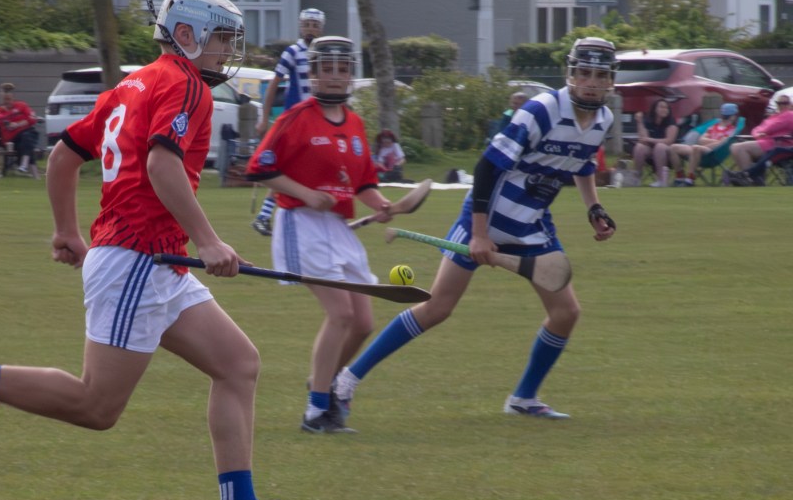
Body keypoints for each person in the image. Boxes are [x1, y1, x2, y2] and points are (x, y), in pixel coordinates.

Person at [0, 0, 327, 500]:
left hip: (152, 260)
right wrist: (209, 241)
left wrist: (67, 231)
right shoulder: (186, 85)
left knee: (238, 364)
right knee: (96, 406)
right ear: (185, 35)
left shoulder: (131, 85)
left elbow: (64, 155)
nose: (224, 52)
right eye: (219, 38)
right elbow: (162, 166)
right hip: (138, 259)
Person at [332, 37, 619, 426]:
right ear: (571, 73)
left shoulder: (602, 120)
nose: (591, 83)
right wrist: (480, 234)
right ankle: (346, 381)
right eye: (584, 73)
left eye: (600, 75)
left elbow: (583, 164)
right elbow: (486, 168)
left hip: (533, 224)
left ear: (610, 80)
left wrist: (594, 208)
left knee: (566, 312)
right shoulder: (541, 111)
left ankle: (523, 397)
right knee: (437, 308)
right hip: (485, 218)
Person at [245, 35, 395, 434]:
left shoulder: (356, 123)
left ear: (351, 74)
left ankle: (321, 383)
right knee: (341, 314)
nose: (334, 76)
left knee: (362, 322)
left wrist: (380, 204)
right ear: (312, 74)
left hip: (338, 228)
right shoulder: (296, 118)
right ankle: (316, 413)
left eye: (342, 69)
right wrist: (307, 194)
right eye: (326, 69)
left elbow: (364, 183)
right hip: (301, 222)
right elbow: (260, 168)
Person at [250, 8, 327, 236]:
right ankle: (265, 216)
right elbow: (274, 84)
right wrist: (264, 118)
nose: (311, 29)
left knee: (299, 169)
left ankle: (268, 216)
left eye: (315, 25)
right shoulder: (293, 52)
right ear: (301, 27)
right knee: (287, 168)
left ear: (321, 29)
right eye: (307, 25)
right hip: (296, 120)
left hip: (316, 120)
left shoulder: (322, 54)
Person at [668, 102, 740, 186]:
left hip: (713, 153)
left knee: (696, 147)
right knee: (673, 147)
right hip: (700, 149)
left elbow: (722, 143)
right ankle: (680, 176)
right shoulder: (714, 126)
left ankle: (690, 179)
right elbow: (701, 140)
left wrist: (709, 143)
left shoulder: (731, 130)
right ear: (733, 116)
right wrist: (716, 141)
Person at [728, 94, 793, 183]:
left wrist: (763, 132)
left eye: (785, 103)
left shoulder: (790, 115)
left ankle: (747, 178)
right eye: (779, 103)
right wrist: (758, 134)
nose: (782, 105)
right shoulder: (774, 116)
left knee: (739, 148)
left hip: (779, 143)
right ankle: (748, 178)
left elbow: (773, 126)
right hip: (766, 141)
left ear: (790, 104)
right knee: (734, 147)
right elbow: (757, 129)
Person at [0, 82, 42, 179]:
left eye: (9, 96)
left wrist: (17, 124)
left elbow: (32, 119)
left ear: (13, 96)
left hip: (26, 135)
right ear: (1, 97)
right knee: (28, 140)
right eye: (5, 97)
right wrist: (17, 123)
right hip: (12, 140)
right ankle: (32, 172)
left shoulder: (22, 105)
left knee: (27, 137)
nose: (7, 100)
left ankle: (24, 165)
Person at [632, 98, 679, 187]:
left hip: (668, 151)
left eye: (666, 108)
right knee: (639, 147)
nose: (664, 110)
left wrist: (650, 140)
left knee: (659, 146)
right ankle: (636, 177)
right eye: (661, 107)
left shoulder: (671, 122)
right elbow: (643, 139)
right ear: (655, 109)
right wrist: (639, 122)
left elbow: (669, 140)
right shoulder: (649, 120)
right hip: (651, 149)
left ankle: (661, 179)